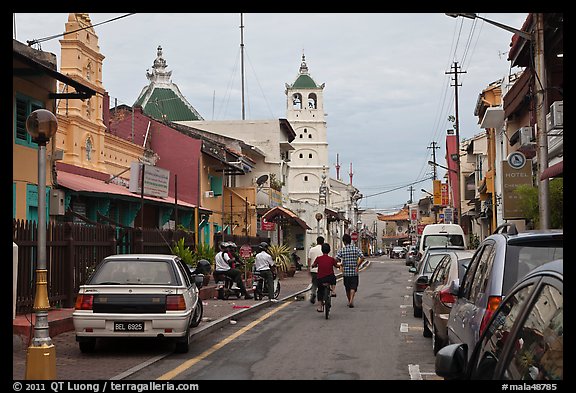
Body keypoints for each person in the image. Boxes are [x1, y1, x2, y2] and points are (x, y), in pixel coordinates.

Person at [336, 233, 364, 308]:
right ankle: (351, 300)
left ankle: (349, 301)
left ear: (344, 242)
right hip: (354, 271)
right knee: (353, 286)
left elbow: (336, 259)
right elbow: (362, 257)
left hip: (346, 272)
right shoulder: (356, 249)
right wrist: (357, 265)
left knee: (347, 287)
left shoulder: (342, 250)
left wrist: (340, 265)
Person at [311, 243, 340, 313]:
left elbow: (313, 265)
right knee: (334, 278)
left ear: (322, 250)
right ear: (329, 250)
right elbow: (336, 265)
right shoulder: (331, 259)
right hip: (330, 278)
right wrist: (339, 266)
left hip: (320, 279)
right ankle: (333, 291)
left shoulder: (318, 258)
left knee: (320, 291)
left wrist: (313, 266)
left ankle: (320, 307)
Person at [307, 236, 325, 304]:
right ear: (323, 242)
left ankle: (313, 293)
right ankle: (321, 298)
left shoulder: (312, 249)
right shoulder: (324, 249)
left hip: (313, 269)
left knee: (314, 283)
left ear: (317, 241)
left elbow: (309, 259)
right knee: (322, 284)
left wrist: (309, 268)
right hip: (322, 270)